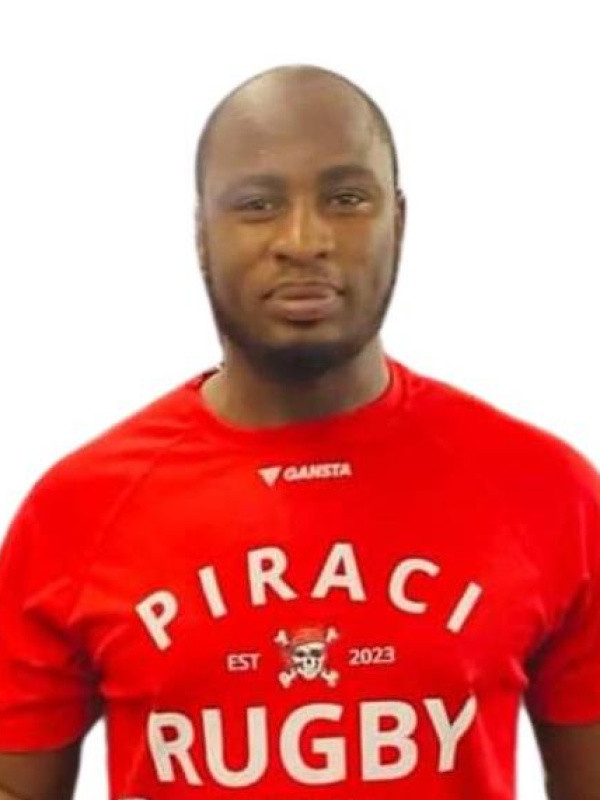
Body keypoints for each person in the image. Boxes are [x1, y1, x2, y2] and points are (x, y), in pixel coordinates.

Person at [0, 63, 599, 800]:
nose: (304, 239)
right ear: (201, 234)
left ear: (398, 221)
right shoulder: (75, 512)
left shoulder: (549, 493)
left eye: (346, 199)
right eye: (258, 204)